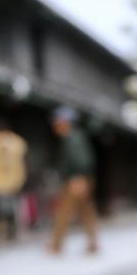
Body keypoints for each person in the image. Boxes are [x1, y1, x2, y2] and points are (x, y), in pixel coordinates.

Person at [49, 105, 99, 255]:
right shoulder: (76, 135)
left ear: (65, 122)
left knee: (64, 211)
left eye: (57, 122)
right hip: (82, 178)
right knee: (85, 210)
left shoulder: (71, 137)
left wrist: (78, 177)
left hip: (76, 179)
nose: (55, 125)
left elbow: (81, 159)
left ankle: (57, 244)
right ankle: (92, 243)